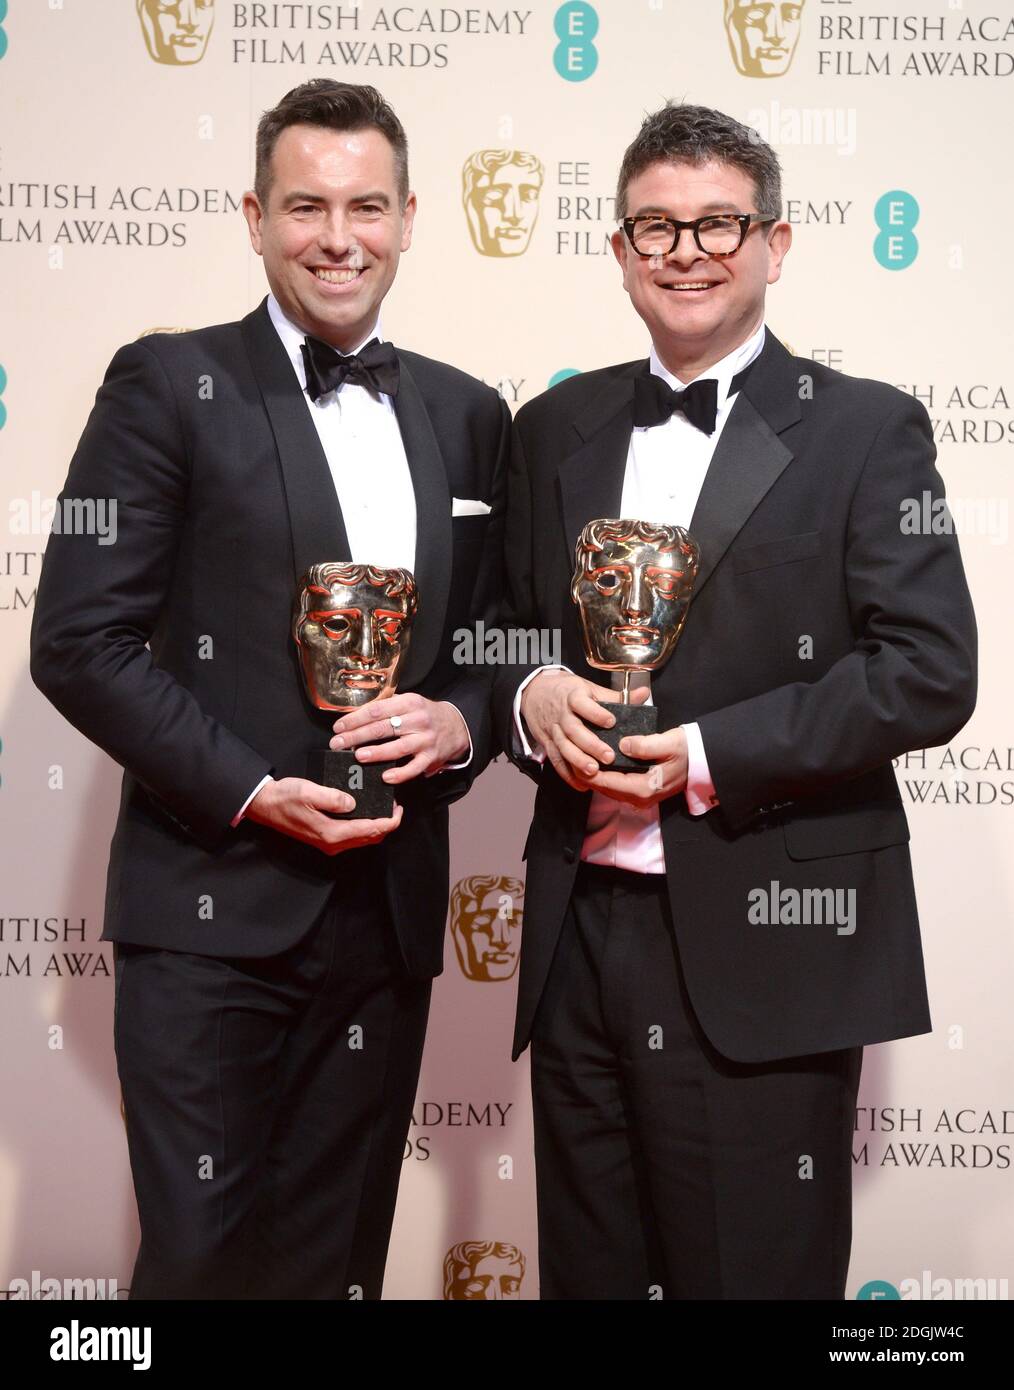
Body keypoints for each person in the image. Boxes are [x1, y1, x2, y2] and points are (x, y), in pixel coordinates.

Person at [30, 79, 508, 1300]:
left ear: (408, 218)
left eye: (366, 205)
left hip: (387, 922)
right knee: (198, 1269)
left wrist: (461, 718)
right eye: (305, 205)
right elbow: (82, 640)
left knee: (331, 1266)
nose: (336, 235)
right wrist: (248, 789)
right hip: (210, 920)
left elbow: (505, 641)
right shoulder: (165, 383)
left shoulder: (466, 413)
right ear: (254, 216)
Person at [492, 102, 976, 1300]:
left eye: (718, 222)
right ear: (618, 250)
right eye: (655, 227)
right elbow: (492, 632)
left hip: (773, 928)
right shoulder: (553, 427)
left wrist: (708, 748)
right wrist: (528, 692)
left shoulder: (866, 431)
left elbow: (929, 667)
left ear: (776, 241)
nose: (687, 251)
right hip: (579, 935)